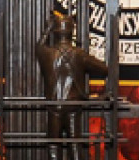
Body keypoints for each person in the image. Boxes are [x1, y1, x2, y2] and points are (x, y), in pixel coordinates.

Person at [36, 10, 109, 160]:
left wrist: (48, 28)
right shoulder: (79, 54)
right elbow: (104, 69)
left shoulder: (46, 54)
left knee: (53, 143)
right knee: (74, 143)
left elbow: (38, 47)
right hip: (73, 104)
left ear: (55, 32)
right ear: (71, 32)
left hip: (54, 104)